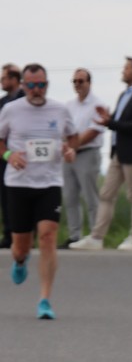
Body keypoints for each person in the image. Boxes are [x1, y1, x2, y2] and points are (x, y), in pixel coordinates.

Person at [0, 63, 78, 319]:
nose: (36, 90)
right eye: (31, 85)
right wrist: (9, 155)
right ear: (23, 85)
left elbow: (73, 136)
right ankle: (20, 261)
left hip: (49, 183)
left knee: (47, 237)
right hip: (18, 184)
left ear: (47, 85)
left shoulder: (60, 109)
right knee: (21, 247)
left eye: (41, 85)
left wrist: (70, 150)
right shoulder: (11, 109)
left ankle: (45, 300)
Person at [70, 57, 132, 252]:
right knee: (106, 194)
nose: (123, 71)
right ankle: (96, 238)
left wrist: (109, 122)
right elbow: (117, 120)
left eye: (126, 68)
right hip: (118, 152)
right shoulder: (124, 94)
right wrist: (107, 118)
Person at [61, 68, 105, 247]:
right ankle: (75, 236)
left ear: (89, 83)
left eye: (81, 81)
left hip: (87, 153)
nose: (77, 84)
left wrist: (72, 145)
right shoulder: (68, 106)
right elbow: (63, 129)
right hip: (69, 156)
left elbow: (93, 132)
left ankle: (96, 236)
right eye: (75, 81)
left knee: (90, 197)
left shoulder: (98, 105)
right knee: (70, 197)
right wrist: (66, 147)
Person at [0, 64, 25, 248]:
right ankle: (8, 234)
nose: (1, 81)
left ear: (14, 79)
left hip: (23, 154)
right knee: (5, 196)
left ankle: (26, 235)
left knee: (23, 195)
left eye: (4, 78)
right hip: (5, 155)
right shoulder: (2, 102)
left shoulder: (25, 98)